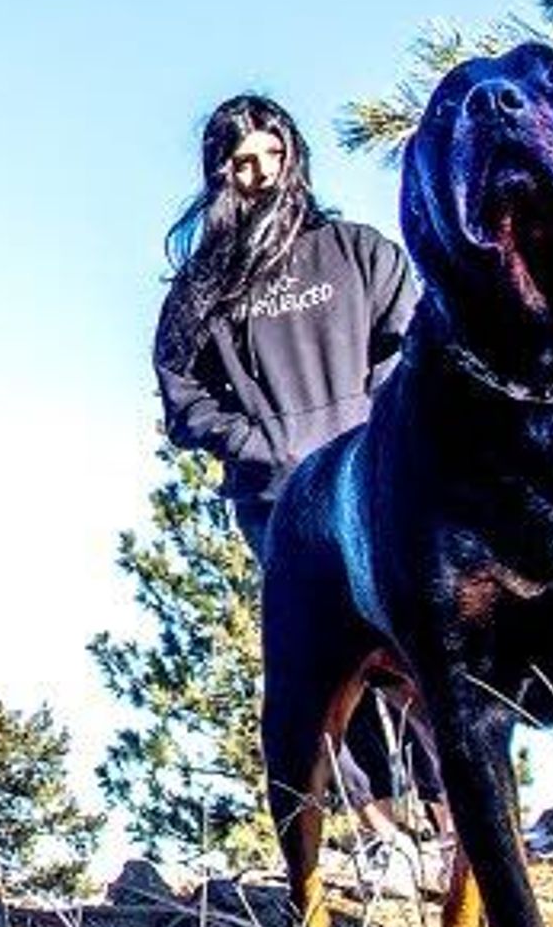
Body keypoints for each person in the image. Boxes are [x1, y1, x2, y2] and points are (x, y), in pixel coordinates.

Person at [151, 94, 431, 876]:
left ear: (295, 156)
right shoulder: (201, 292)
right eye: (244, 164)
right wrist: (262, 448)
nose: (262, 175)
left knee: (422, 645)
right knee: (328, 666)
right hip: (282, 507)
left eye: (274, 156)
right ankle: (380, 830)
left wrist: (378, 429)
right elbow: (182, 400)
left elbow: (410, 345)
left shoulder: (359, 252)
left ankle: (450, 821)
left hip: (379, 487)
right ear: (220, 175)